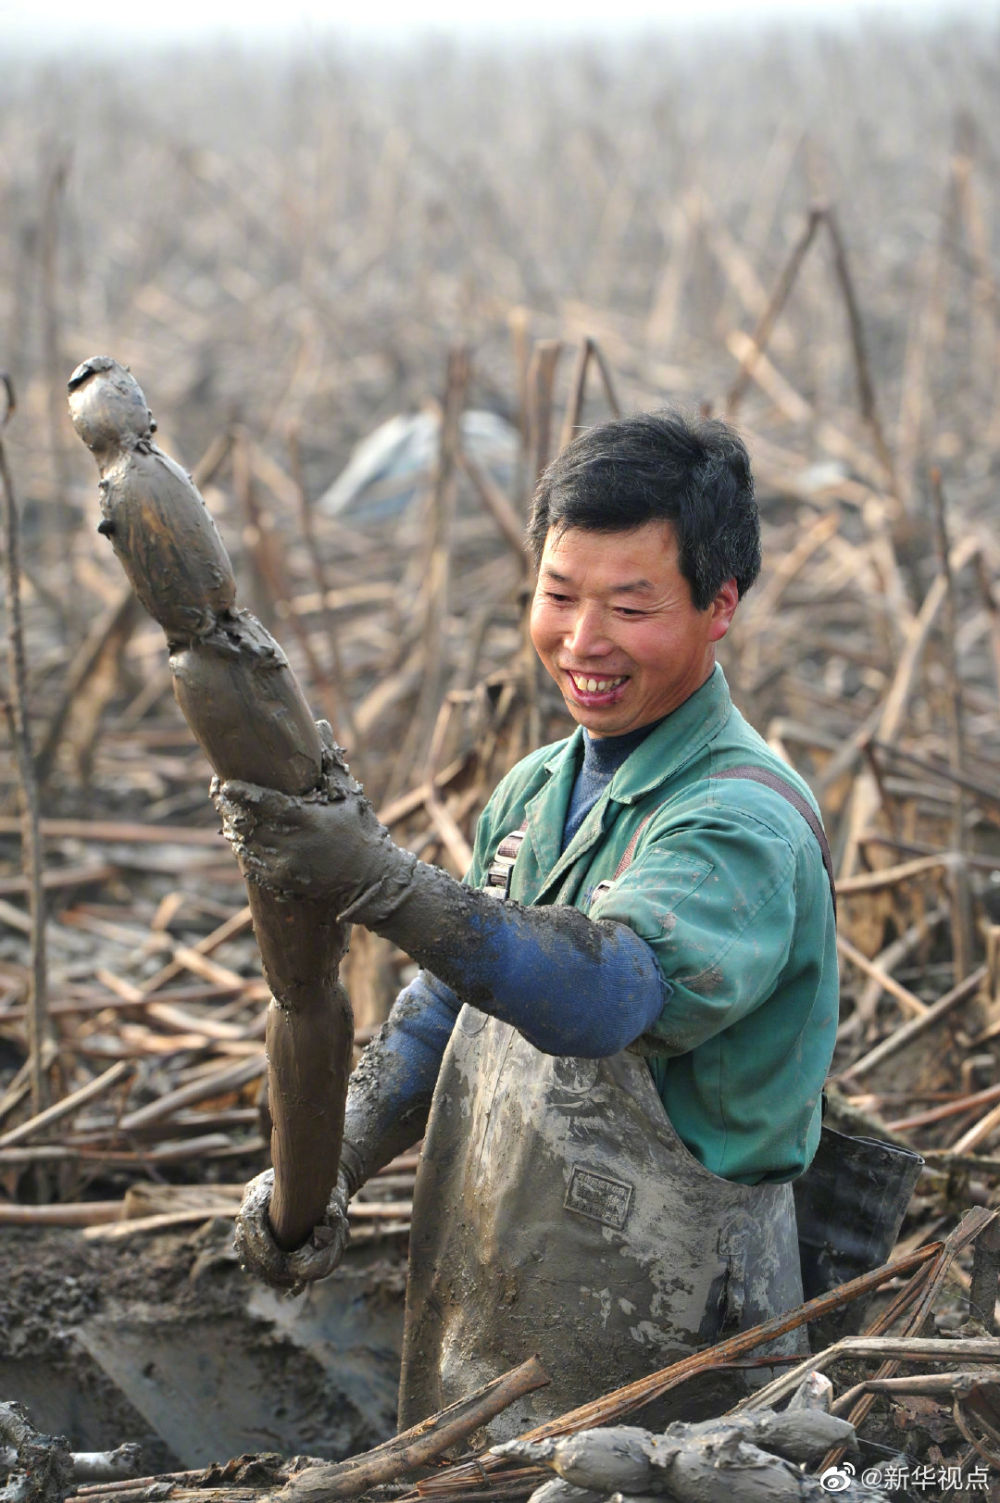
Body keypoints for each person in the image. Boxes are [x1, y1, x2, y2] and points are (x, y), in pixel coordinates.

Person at [214, 410, 839, 1438]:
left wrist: (378, 879)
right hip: (495, 1310)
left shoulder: (741, 822)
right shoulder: (535, 791)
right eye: (558, 596)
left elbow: (604, 996)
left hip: (672, 1360)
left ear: (720, 605)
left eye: (630, 607)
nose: (581, 642)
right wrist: (323, 1175)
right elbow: (441, 1012)